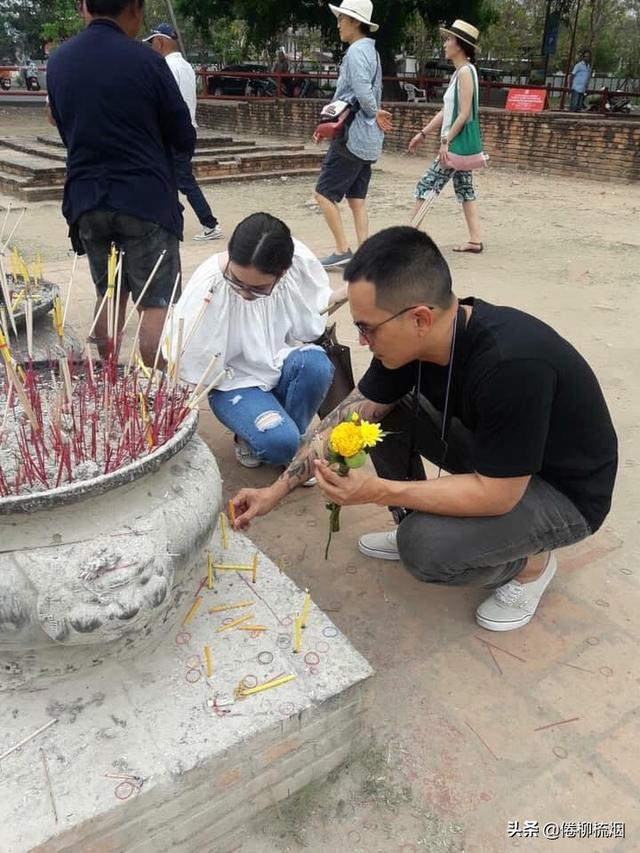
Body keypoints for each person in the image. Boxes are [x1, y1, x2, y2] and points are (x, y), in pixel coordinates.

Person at [231, 227, 618, 633]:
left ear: (420, 318)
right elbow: (349, 416)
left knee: (425, 548)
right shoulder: (413, 343)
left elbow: (498, 495)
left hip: (562, 492)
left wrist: (377, 491)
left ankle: (531, 565)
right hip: (503, 457)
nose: (362, 342)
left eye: (367, 328)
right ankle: (417, 520)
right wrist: (274, 492)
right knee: (374, 418)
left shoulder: (511, 366)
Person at [46, 0, 195, 365]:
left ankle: (111, 377)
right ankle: (157, 384)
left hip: (86, 198)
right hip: (144, 197)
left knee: (109, 293)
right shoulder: (146, 61)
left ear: (85, 8)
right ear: (133, 9)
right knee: (156, 301)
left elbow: (64, 127)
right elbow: (182, 134)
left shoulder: (59, 61)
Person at [173, 213, 335, 474]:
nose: (245, 293)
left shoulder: (296, 261)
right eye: (237, 281)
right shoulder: (210, 284)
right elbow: (190, 360)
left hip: (280, 362)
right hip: (234, 381)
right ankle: (276, 439)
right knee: (280, 443)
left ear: (282, 273)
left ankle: (287, 435)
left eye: (258, 288)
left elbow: (311, 322)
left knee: (316, 364)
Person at [314, 0, 392, 270]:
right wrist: (374, 112)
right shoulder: (372, 52)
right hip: (368, 140)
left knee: (323, 194)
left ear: (355, 22)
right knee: (357, 200)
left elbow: (359, 91)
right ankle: (366, 256)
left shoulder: (355, 52)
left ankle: (342, 250)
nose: (338, 24)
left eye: (342, 19)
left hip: (351, 135)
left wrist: (373, 110)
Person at [408, 20, 483, 254]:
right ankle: (475, 239)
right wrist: (423, 133)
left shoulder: (465, 72)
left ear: (459, 45)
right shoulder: (460, 73)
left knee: (427, 185)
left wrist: (445, 140)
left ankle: (409, 239)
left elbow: (465, 113)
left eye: (449, 39)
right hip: (457, 144)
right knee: (465, 188)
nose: (445, 44)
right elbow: (445, 111)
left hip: (454, 145)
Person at [145, 23, 223, 242]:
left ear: (160, 42)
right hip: (187, 129)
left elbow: (166, 103)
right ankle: (170, 220)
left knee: (183, 180)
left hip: (173, 132)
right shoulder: (186, 66)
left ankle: (210, 223)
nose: (152, 47)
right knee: (169, 178)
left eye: (152, 43)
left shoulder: (166, 67)